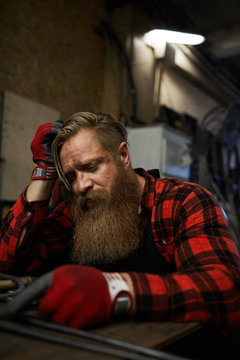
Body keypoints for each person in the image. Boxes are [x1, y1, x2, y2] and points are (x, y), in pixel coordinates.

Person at [0, 111, 240, 330]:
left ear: (123, 155)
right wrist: (44, 172)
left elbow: (224, 289)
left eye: (91, 167)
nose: (80, 186)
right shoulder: (77, 212)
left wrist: (117, 291)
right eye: (72, 176)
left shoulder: (183, 201)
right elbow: (10, 262)